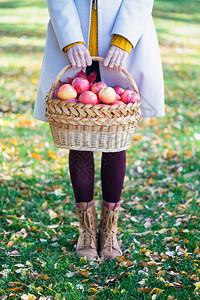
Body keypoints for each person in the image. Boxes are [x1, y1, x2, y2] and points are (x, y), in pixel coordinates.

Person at [34, 0, 165, 261]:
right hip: (75, 38)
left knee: (115, 137)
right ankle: (87, 230)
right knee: (78, 132)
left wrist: (125, 37)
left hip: (120, 42)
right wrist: (70, 39)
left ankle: (110, 230)